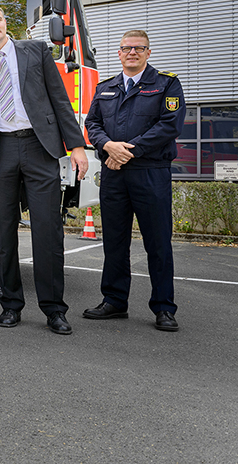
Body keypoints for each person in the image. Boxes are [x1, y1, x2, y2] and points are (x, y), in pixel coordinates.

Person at [0, 2, 88, 335]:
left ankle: (54, 310)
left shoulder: (36, 51)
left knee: (48, 231)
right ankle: (11, 305)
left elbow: (59, 99)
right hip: (0, 153)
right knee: (2, 233)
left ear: (6, 23)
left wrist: (75, 146)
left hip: (40, 147)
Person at [83, 30, 185, 332]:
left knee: (157, 242)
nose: (132, 53)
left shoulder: (166, 84)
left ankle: (164, 307)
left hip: (150, 172)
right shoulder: (106, 87)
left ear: (148, 53)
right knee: (115, 241)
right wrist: (107, 146)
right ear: (118, 53)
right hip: (114, 174)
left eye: (139, 49)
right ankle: (114, 301)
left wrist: (127, 151)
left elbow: (169, 126)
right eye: (126, 48)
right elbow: (92, 124)